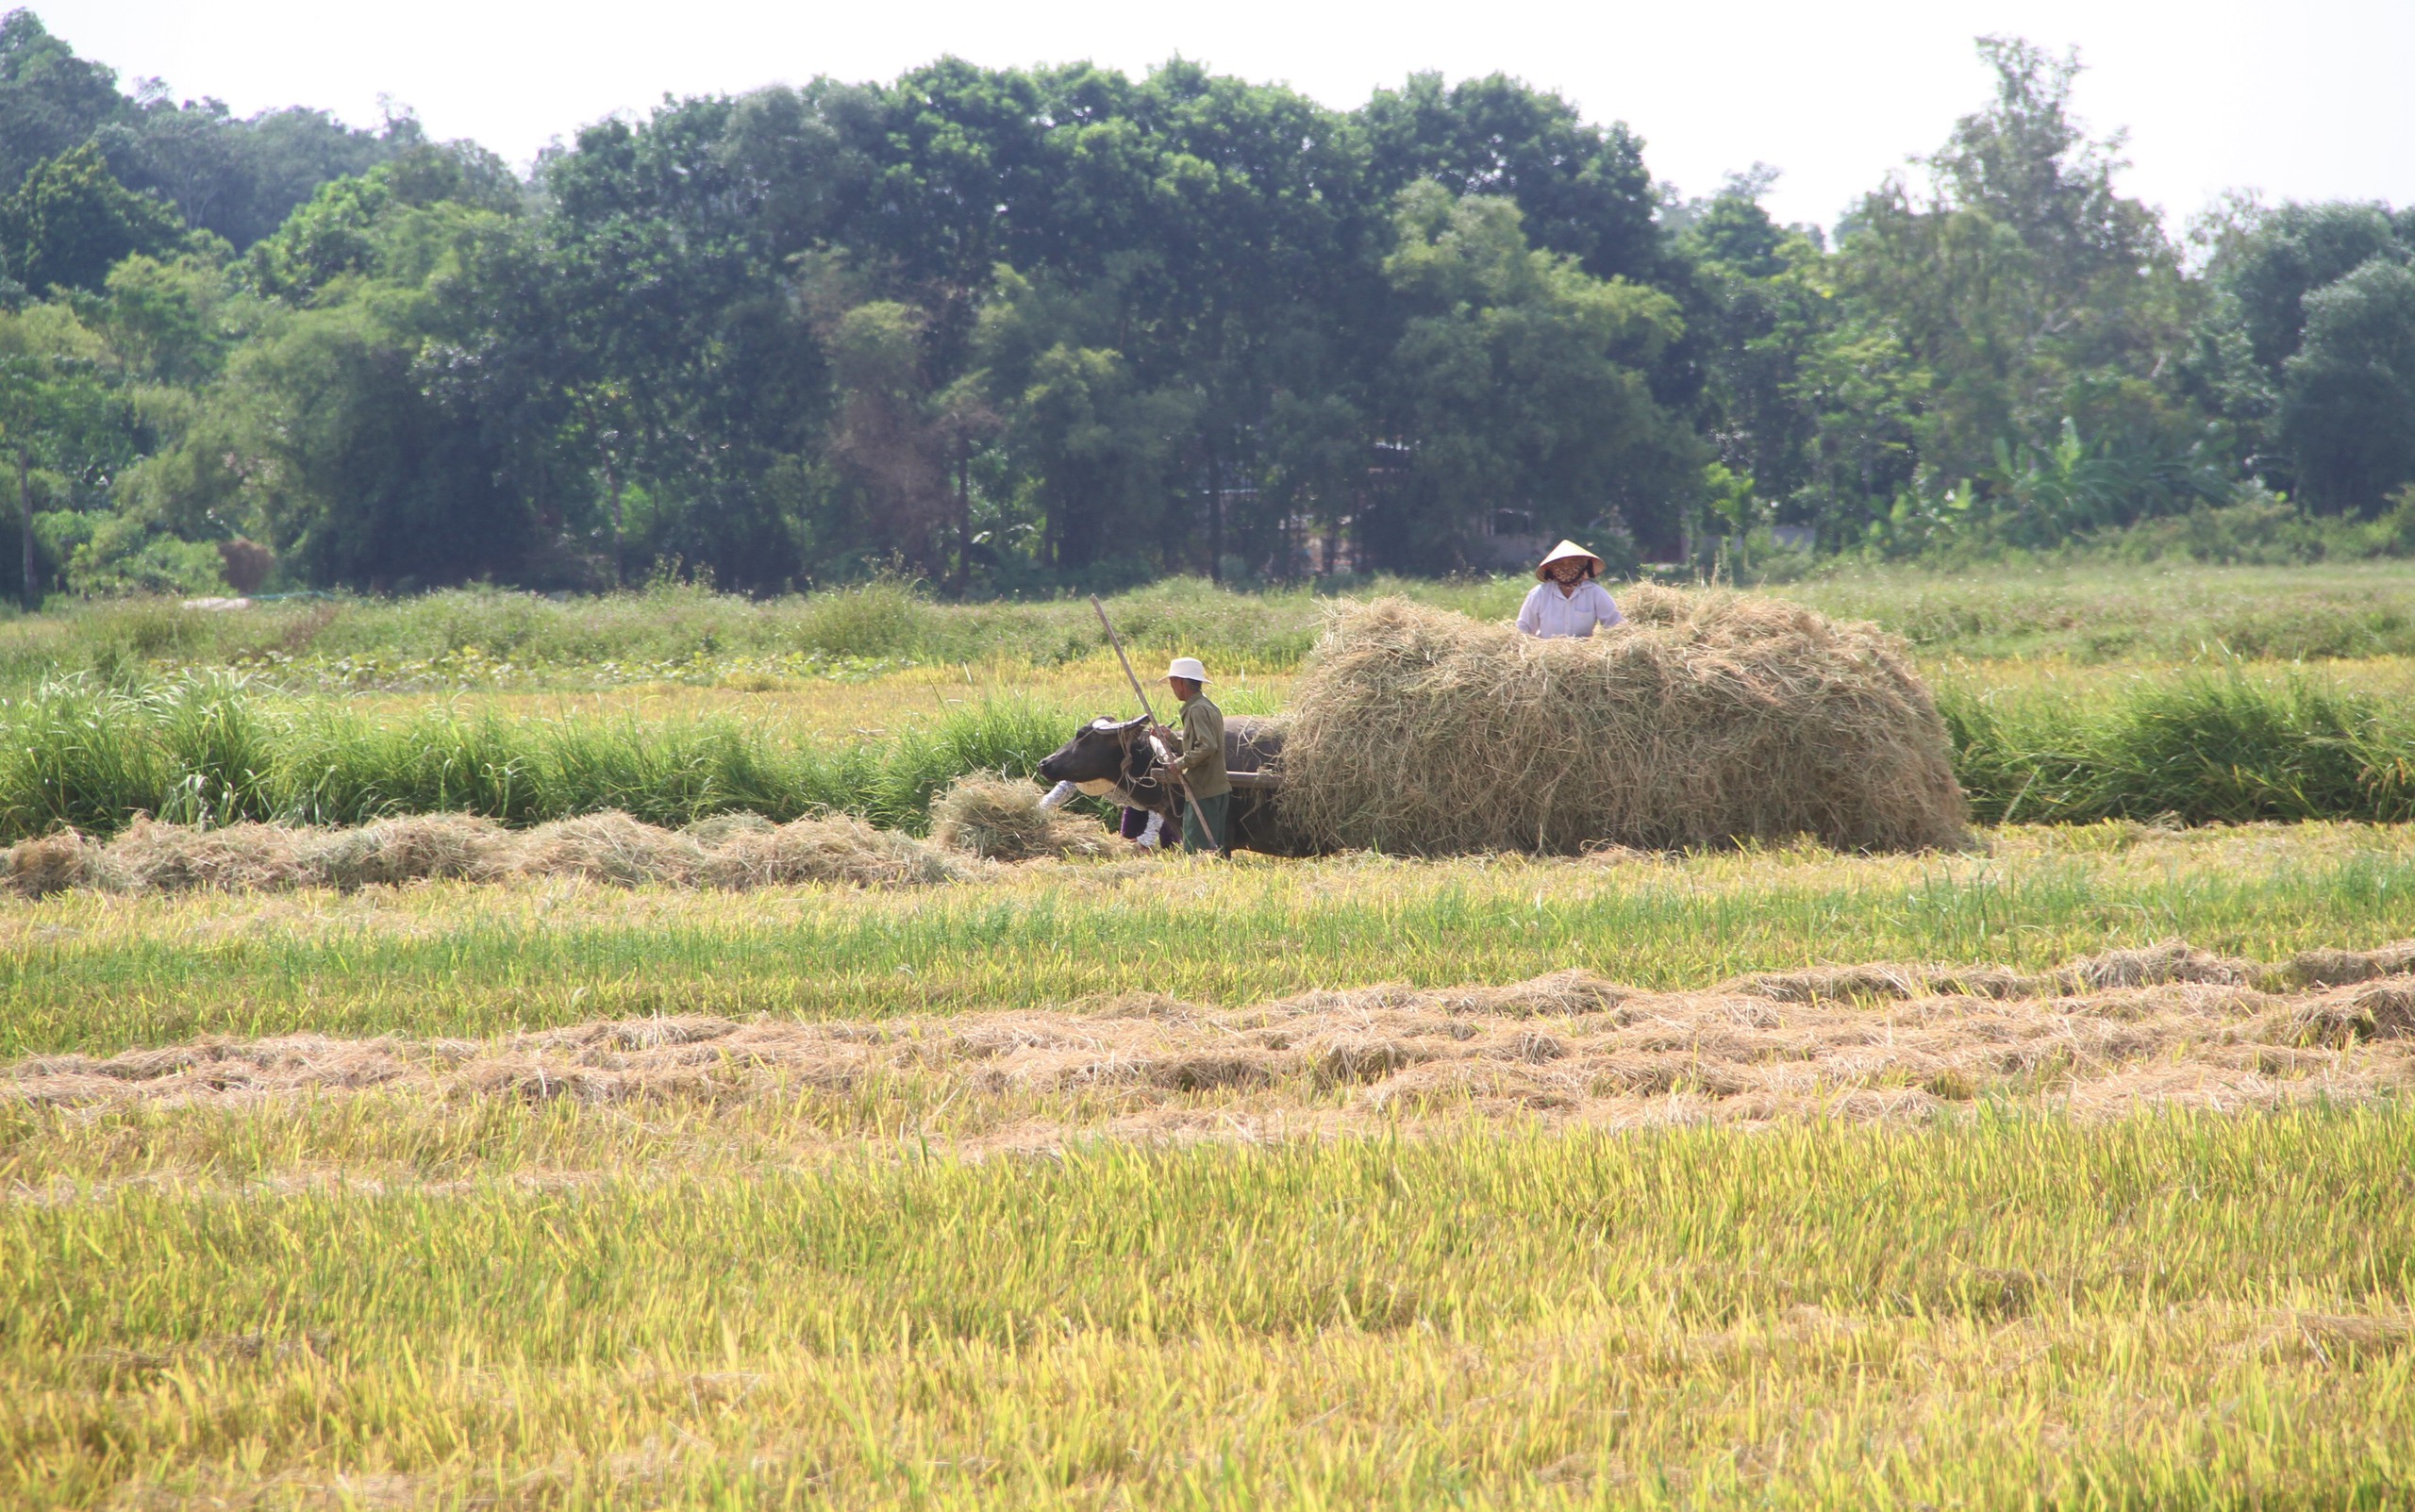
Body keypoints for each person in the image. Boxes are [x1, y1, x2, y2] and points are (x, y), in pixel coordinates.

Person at [1152, 656, 1230, 855]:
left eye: (1172, 683)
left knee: (1198, 850)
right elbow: (1198, 745)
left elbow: (1207, 747)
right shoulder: (1209, 706)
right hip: (1215, 787)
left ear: (1180, 682)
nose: (1172, 688)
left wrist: (1180, 763)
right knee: (1214, 848)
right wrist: (1170, 738)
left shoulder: (1196, 710)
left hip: (1203, 788)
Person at [1517, 540, 1626, 639]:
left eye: (1572, 562)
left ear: (1583, 565)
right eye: (1560, 563)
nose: (1566, 567)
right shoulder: (1539, 594)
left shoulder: (1595, 593)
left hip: (1583, 654)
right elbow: (1524, 628)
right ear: (1552, 568)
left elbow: (1615, 625)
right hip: (1546, 654)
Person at [1039, 777, 1166, 850]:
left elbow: (1159, 804)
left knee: (1169, 844)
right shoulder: (1082, 769)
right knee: (1128, 840)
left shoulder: (1135, 778)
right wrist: (1040, 808)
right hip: (1133, 802)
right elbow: (1065, 787)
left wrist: (1146, 842)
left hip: (1163, 801)